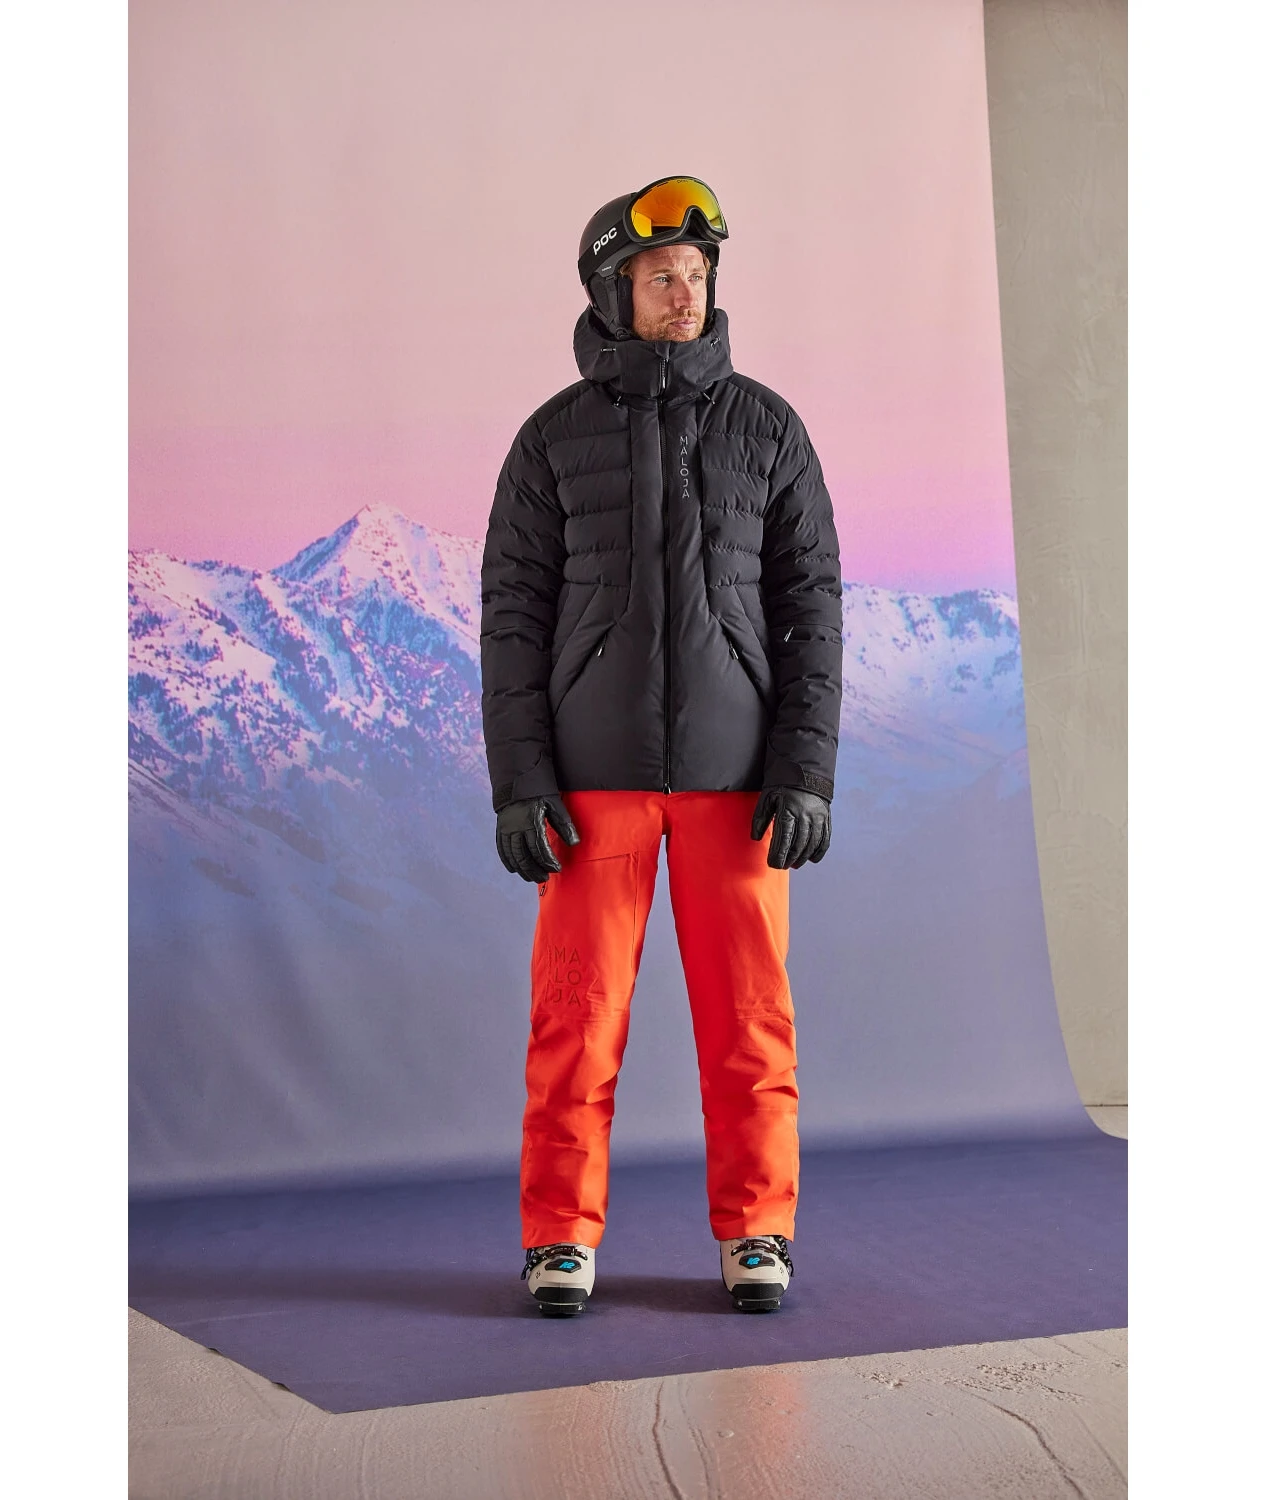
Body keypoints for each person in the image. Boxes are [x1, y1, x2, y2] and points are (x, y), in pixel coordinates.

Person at [479, 175, 842, 1317]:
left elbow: (813, 606)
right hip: (594, 787)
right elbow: (510, 618)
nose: (685, 294)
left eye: (696, 273)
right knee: (575, 1024)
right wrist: (521, 782)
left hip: (740, 786)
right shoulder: (552, 440)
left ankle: (757, 1232)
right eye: (659, 276)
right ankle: (559, 1239)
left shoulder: (768, 429)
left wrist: (805, 770)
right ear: (611, 290)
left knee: (751, 1024)